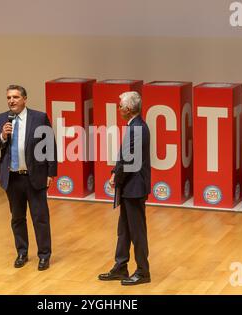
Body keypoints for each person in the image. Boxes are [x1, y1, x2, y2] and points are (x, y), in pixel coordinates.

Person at [0, 84, 57, 271]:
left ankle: (44, 255)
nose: (12, 101)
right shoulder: (0, 119)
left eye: (16, 97)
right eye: (9, 97)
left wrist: (51, 173)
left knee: (40, 218)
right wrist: (2, 135)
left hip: (34, 177)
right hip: (12, 178)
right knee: (17, 218)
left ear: (24, 99)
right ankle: (22, 253)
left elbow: (50, 145)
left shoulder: (39, 118)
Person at [98, 91, 151, 285]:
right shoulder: (134, 126)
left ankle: (143, 272)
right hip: (130, 186)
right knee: (124, 230)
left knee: (137, 232)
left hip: (135, 187)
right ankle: (121, 267)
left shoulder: (137, 128)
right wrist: (115, 172)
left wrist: (116, 177)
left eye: (120, 106)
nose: (119, 108)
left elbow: (129, 160)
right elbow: (125, 156)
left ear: (128, 109)